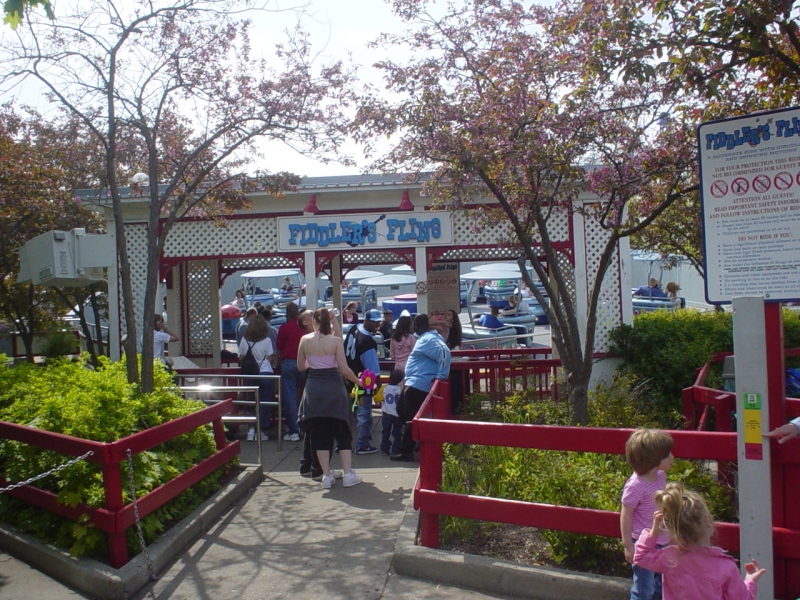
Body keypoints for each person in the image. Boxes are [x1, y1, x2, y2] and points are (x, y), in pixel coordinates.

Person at [634, 482, 765, 599]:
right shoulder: (725, 566)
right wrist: (750, 581)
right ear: (708, 521)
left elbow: (641, 557)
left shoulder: (670, 557)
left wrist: (654, 531)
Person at [296, 308, 363, 489]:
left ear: (314, 321)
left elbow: (301, 367)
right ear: (328, 321)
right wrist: (359, 382)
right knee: (342, 431)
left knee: (320, 433)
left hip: (313, 389)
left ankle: (326, 476)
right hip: (334, 388)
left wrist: (315, 361)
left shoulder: (304, 340)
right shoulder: (335, 341)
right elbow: (345, 370)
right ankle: (348, 474)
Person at [621, 428, 674, 600]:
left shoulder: (661, 476)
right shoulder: (635, 486)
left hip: (663, 540)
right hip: (643, 544)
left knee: (661, 586)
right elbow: (626, 515)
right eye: (667, 455)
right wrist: (628, 546)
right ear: (653, 459)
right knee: (645, 589)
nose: (672, 457)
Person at [392, 314, 451, 462]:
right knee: (401, 411)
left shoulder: (428, 339)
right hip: (413, 383)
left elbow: (445, 351)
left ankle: (407, 451)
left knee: (410, 418)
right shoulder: (426, 338)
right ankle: (416, 438)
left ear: (418, 325)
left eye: (414, 324)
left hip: (418, 384)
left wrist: (442, 375)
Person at [344, 308, 382, 454]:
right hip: (363, 381)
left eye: (378, 322)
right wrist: (378, 386)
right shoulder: (367, 341)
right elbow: (373, 370)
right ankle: (363, 444)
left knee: (347, 414)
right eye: (374, 322)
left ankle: (342, 443)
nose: (377, 325)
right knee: (364, 414)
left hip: (348, 377)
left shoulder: (354, 328)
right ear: (366, 320)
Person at [238, 314, 275, 442]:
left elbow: (241, 357)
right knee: (264, 403)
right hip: (265, 372)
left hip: (250, 374)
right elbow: (270, 357)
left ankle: (251, 430)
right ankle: (260, 431)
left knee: (252, 402)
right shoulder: (267, 340)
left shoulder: (245, 340)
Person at [275, 303, 304, 443]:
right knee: (301, 395)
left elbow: (279, 349)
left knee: (290, 398)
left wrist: (278, 364)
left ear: (287, 314)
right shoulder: (304, 328)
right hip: (303, 363)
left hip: (288, 363)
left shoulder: (284, 327)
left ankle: (294, 430)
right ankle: (302, 425)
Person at [380, 370, 404, 456]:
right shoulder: (400, 389)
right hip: (397, 414)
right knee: (397, 433)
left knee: (385, 431)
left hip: (386, 412)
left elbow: (377, 398)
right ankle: (396, 449)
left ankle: (384, 449)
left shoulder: (384, 388)